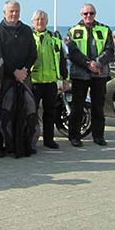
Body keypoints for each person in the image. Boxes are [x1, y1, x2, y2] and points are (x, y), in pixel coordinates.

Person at [0, 0, 38, 158]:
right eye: (11, 11)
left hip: (24, 78)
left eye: (17, 11)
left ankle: (26, 145)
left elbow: (33, 53)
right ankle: (2, 145)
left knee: (29, 111)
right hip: (6, 80)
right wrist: (14, 72)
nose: (14, 14)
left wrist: (24, 70)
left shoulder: (26, 30)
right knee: (4, 114)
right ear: (4, 12)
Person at [66, 3, 114, 147]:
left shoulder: (105, 30)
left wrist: (97, 64)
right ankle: (74, 136)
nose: (88, 16)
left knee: (98, 107)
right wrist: (88, 64)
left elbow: (110, 50)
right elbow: (73, 52)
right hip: (80, 74)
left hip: (99, 74)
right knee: (77, 107)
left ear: (95, 14)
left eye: (91, 13)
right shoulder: (73, 31)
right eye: (85, 13)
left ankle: (98, 136)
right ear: (81, 15)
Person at [31, 10, 68, 149]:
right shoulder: (29, 38)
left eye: (42, 19)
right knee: (32, 113)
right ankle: (32, 140)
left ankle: (49, 140)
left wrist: (65, 78)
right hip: (34, 82)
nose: (40, 22)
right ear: (33, 22)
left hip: (50, 81)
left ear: (47, 22)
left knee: (50, 112)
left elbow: (62, 60)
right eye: (37, 20)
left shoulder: (54, 39)